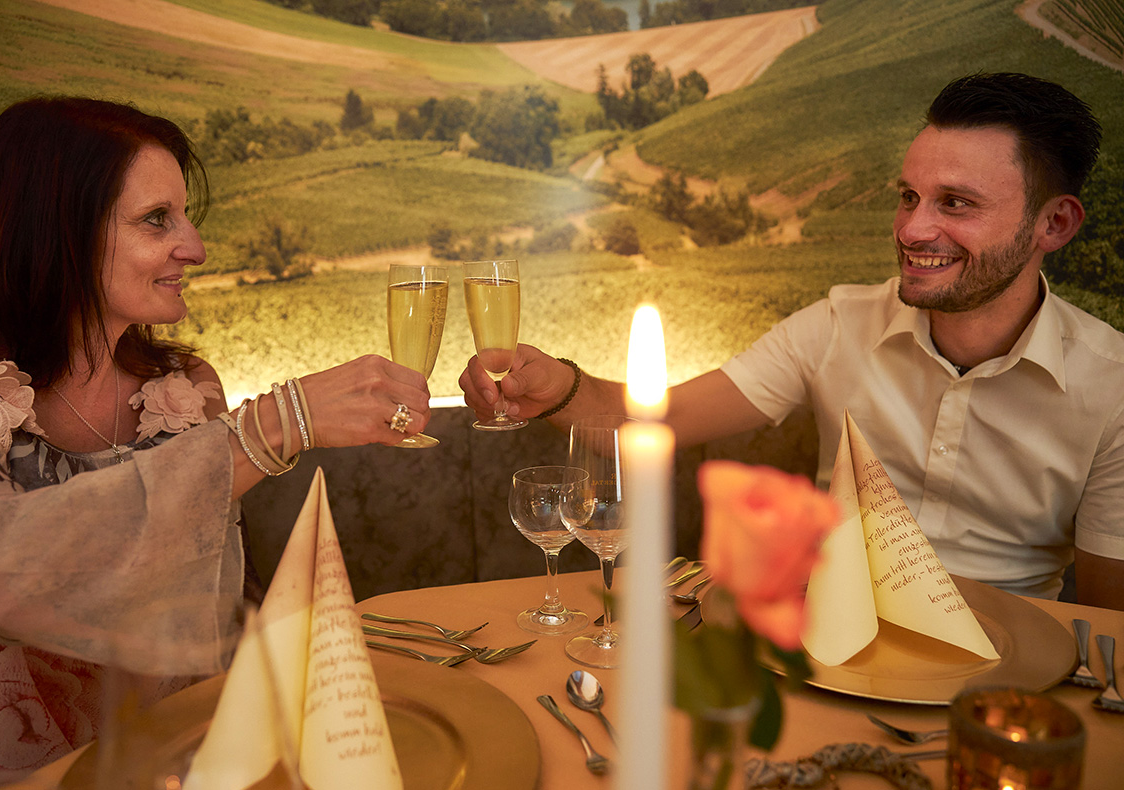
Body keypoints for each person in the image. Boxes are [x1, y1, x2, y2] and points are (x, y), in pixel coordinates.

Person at [461, 72, 1124, 611]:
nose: (912, 229)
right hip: (826, 656)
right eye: (908, 197)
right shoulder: (838, 324)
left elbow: (1107, 625)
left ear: (1055, 224)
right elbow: (658, 417)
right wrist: (557, 387)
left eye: (955, 203)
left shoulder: (1113, 387)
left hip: (1006, 680)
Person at [0, 96, 432, 786]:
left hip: (178, 756)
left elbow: (210, 609)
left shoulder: (185, 388)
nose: (194, 248)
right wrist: (273, 424)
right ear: (59, 231)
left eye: (185, 216)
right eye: (157, 219)